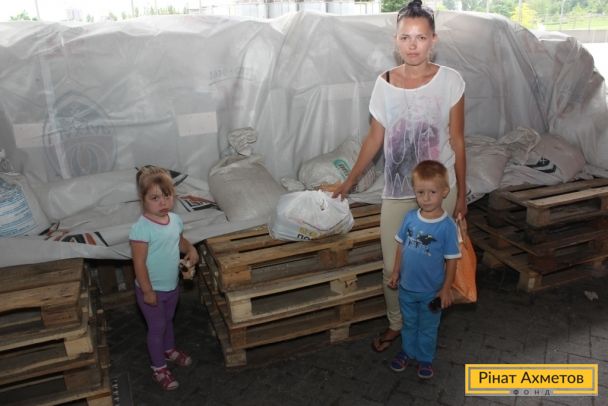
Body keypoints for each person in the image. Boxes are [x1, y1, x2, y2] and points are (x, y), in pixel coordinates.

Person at [332, 0, 467, 353]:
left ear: (433, 40)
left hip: (440, 189)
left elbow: (457, 140)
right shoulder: (385, 83)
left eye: (420, 37)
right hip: (396, 188)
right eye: (405, 37)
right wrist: (348, 183)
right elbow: (374, 139)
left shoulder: (451, 81)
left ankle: (427, 321)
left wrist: (462, 195)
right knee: (393, 263)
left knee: (434, 261)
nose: (412, 45)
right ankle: (397, 323)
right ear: (395, 40)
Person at [387, 160, 461, 379]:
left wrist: (446, 289)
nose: (426, 198)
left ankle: (425, 358)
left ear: (445, 191)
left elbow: (452, 260)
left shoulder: (447, 226)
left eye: (432, 192)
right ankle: (407, 351)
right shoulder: (410, 218)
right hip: (406, 288)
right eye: (420, 192)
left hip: (431, 291)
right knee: (409, 323)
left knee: (428, 327)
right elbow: (401, 246)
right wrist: (395, 272)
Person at [129, 165, 200, 391]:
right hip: (151, 290)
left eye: (167, 196)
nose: (163, 202)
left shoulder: (175, 220)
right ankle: (158, 367)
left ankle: (168, 350)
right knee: (157, 326)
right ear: (142, 199)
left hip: (172, 286)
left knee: (168, 320)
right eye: (155, 198)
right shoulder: (141, 229)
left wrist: (191, 249)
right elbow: (139, 263)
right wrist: (147, 290)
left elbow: (179, 241)